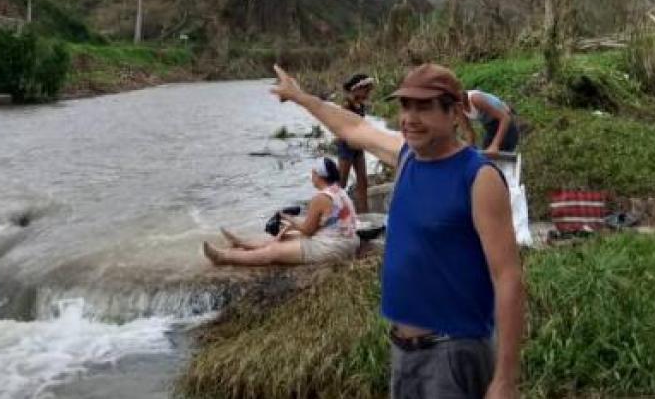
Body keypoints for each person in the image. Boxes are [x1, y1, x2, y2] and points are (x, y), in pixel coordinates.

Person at [271, 63, 524, 399]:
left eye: (424, 107)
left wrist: (505, 379)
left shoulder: (479, 177)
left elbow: (508, 278)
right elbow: (353, 127)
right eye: (405, 106)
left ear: (454, 113)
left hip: (453, 353)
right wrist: (301, 97)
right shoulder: (405, 156)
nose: (410, 118)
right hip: (403, 351)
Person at [203, 157, 360, 267]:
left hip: (333, 248)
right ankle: (241, 243)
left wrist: (290, 220)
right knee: (287, 236)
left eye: (313, 172)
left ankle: (223, 257)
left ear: (319, 176)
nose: (311, 175)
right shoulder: (339, 191)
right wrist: (292, 224)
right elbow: (324, 223)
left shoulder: (321, 198)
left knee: (274, 251)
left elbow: (308, 231)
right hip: (347, 241)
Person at [336, 73, 375, 213]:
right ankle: (334, 212)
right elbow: (341, 128)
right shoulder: (347, 105)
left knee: (363, 181)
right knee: (341, 182)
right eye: (366, 90)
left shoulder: (360, 104)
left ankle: (364, 213)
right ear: (357, 89)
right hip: (346, 146)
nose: (368, 93)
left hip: (358, 146)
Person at [458, 89, 519, 156]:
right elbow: (468, 131)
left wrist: (495, 145)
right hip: (490, 128)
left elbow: (505, 118)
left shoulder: (475, 99)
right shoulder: (458, 108)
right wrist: (469, 150)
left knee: (500, 156)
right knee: (485, 156)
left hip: (505, 125)